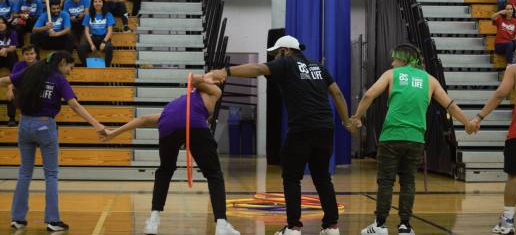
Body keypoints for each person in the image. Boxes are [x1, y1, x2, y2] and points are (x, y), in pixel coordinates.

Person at [209, 35, 359, 235]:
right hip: (325, 128)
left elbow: (259, 69)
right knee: (323, 178)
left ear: (286, 50)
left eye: (275, 53)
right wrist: (347, 122)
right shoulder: (317, 67)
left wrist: (226, 71)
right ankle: (332, 226)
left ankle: (294, 227)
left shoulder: (286, 63)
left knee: (291, 178)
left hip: (302, 129)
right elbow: (338, 94)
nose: (273, 59)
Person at [0, 50, 108, 231]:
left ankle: (17, 218)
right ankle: (53, 220)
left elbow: (4, 81)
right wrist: (96, 124)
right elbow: (74, 104)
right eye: (70, 67)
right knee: (50, 174)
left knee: (25, 172)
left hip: (24, 125)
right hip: (45, 126)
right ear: (62, 62)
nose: (70, 72)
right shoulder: (59, 79)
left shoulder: (30, 71)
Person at [347, 44, 477, 235]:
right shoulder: (430, 80)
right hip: (416, 139)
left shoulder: (392, 75)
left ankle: (380, 225)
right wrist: (467, 123)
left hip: (391, 137)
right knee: (408, 181)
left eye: (394, 59)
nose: (392, 63)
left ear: (403, 59)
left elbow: (368, 94)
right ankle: (405, 226)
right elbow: (450, 105)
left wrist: (356, 117)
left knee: (385, 181)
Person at [102, 73, 241, 235]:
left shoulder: (178, 105)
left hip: (167, 122)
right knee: (214, 173)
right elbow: (192, 79)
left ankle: (153, 221)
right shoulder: (214, 92)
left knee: (165, 171)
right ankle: (222, 224)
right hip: (193, 123)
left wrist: (113, 133)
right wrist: (206, 78)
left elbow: (144, 118)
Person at [471, 38, 516, 235]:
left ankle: (508, 222)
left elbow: (499, 94)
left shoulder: (515, 69)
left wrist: (479, 117)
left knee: (514, 176)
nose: (515, 56)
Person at [77, 0, 114, 67]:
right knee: (80, 48)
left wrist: (104, 42)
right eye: (95, 2)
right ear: (92, 3)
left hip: (104, 39)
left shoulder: (108, 15)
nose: (98, 4)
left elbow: (109, 31)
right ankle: (87, 67)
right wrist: (91, 44)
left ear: (103, 3)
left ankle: (106, 68)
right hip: (92, 39)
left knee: (109, 47)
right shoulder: (88, 15)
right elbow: (86, 32)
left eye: (100, 1)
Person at [6, 44, 36, 127]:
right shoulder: (18, 65)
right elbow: (11, 79)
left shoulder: (40, 65)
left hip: (36, 91)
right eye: (27, 54)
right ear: (23, 55)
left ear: (35, 54)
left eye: (31, 53)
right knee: (12, 92)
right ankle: (12, 118)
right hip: (22, 90)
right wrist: (9, 90)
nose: (29, 56)